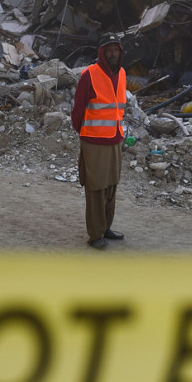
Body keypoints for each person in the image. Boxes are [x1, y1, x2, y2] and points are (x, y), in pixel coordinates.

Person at [71, 33, 127, 249]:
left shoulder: (121, 73)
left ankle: (105, 228)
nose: (113, 54)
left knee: (111, 185)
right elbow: (78, 111)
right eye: (109, 50)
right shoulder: (89, 75)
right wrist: (84, 133)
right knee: (96, 188)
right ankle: (95, 235)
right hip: (94, 141)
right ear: (102, 52)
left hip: (115, 139)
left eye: (116, 50)